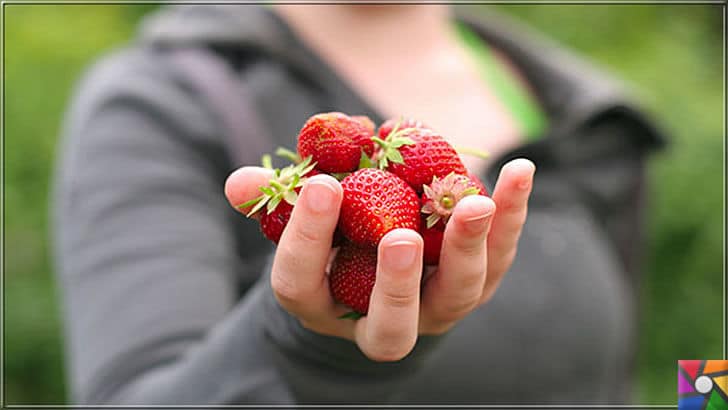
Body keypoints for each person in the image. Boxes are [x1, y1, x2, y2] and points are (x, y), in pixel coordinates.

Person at [53, 4, 663, 405]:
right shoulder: (166, 101)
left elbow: (634, 375)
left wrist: (708, 395)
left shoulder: (584, 109)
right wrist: (313, 350)